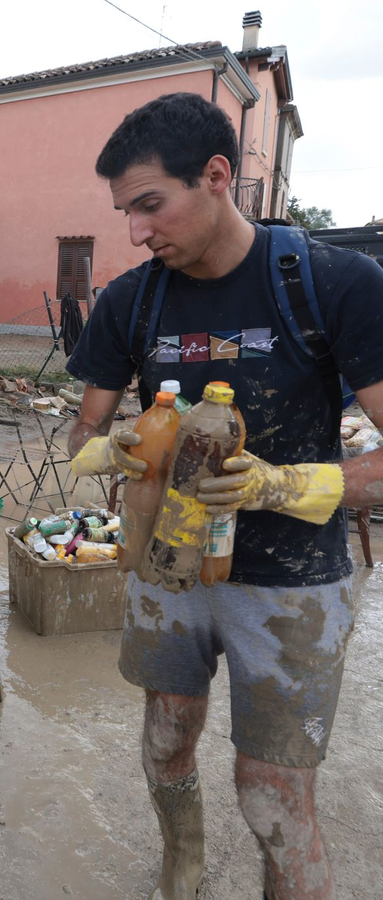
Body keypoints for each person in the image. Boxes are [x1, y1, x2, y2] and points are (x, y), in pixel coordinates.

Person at [66, 92, 383, 900]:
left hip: (289, 583)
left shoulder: (332, 283)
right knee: (165, 740)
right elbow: (83, 430)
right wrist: (106, 448)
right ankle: (183, 862)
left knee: (271, 798)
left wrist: (286, 484)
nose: (135, 231)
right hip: (168, 567)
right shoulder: (131, 300)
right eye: (125, 211)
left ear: (214, 176)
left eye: (150, 204)